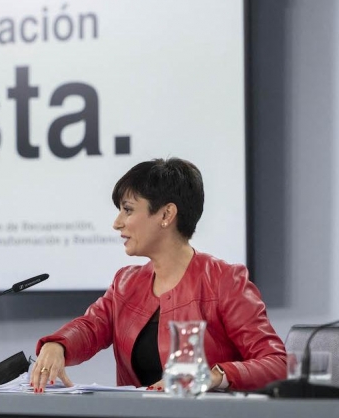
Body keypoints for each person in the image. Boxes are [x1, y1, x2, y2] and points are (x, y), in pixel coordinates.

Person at [31, 157, 286, 393]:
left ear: (166, 215)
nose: (117, 223)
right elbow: (90, 327)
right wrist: (58, 345)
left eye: (128, 210)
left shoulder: (224, 281)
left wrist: (215, 376)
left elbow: (278, 363)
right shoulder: (126, 282)